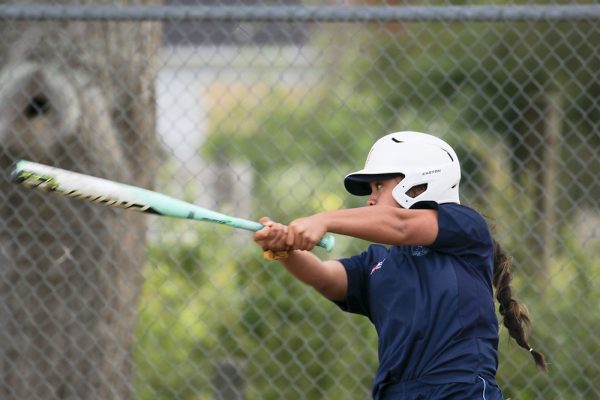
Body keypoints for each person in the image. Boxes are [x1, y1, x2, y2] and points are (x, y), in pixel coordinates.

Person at [254, 131, 546, 400]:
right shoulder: (378, 263)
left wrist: (323, 220)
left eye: (379, 186)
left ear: (419, 185)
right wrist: (285, 250)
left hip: (458, 390)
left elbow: (402, 226)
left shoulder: (465, 229)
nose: (370, 200)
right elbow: (324, 277)